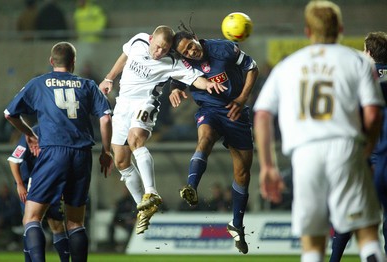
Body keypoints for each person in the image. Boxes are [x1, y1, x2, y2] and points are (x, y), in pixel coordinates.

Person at [253, 1, 384, 262]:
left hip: (305, 153)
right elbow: (372, 113)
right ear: (341, 30)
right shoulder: (357, 61)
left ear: (307, 31)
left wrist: (268, 165)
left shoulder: (287, 65)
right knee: (368, 235)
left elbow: (262, 114)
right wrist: (367, 149)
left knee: (312, 243)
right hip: (346, 147)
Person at [98, 25, 225, 235]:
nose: (159, 53)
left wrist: (209, 85)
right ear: (150, 39)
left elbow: (195, 77)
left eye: (164, 50)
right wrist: (109, 77)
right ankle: (144, 208)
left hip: (145, 104)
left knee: (135, 139)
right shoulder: (138, 40)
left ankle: (151, 192)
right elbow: (125, 56)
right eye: (157, 47)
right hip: (122, 105)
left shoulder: (173, 62)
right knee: (121, 161)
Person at [4, 41, 113, 262]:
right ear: (73, 62)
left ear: (51, 61)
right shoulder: (87, 85)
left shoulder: (39, 84)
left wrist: (29, 133)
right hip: (82, 154)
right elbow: (106, 117)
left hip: (53, 151)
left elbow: (9, 114)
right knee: (75, 222)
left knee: (32, 217)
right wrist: (106, 150)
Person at [169, 25, 259, 255]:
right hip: (209, 110)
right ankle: (191, 186)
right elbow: (178, 79)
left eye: (191, 46)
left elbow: (252, 68)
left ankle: (236, 224)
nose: (190, 52)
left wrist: (241, 99)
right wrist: (175, 89)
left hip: (236, 111)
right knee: (205, 139)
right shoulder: (184, 63)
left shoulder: (223, 48)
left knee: (242, 172)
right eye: (185, 52)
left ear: (196, 38)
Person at [329, 31, 387, 262]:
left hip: (365, 152)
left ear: (369, 53)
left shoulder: (364, 76)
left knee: (350, 208)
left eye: (364, 50)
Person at [7, 125, 70, 262]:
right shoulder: (34, 132)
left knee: (56, 224)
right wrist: (19, 184)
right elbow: (14, 160)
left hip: (52, 183)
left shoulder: (62, 130)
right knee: (30, 222)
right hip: (31, 185)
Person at [0, 183, 22, 250]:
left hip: (11, 220)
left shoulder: (13, 199)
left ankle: (13, 242)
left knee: (10, 220)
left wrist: (3, 217)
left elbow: (14, 211)